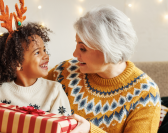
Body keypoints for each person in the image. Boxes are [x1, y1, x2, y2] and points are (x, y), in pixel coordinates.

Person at [0, 0, 71, 133]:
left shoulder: (54, 91)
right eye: (38, 52)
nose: (46, 56)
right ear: (17, 63)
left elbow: (65, 125)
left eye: (45, 50)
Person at [45, 5, 161, 133]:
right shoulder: (64, 71)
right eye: (77, 45)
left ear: (109, 50)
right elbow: (26, 92)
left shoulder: (145, 94)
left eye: (83, 49)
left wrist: (91, 130)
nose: (75, 54)